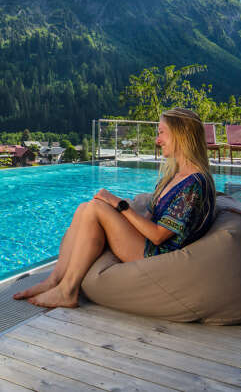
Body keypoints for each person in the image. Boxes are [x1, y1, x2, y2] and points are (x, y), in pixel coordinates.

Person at [14, 107, 216, 308]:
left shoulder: (193, 185)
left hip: (157, 255)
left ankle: (67, 290)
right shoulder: (174, 176)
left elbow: (157, 236)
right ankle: (53, 281)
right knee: (85, 208)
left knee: (95, 208)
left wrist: (119, 205)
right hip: (147, 243)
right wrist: (116, 218)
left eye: (162, 132)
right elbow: (149, 218)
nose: (157, 140)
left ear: (181, 135)